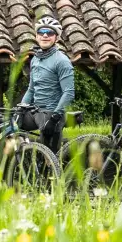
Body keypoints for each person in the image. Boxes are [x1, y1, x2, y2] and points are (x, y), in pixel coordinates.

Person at [16, 15, 74, 153]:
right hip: (36, 111)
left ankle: (53, 171)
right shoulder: (35, 59)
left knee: (49, 157)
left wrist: (55, 118)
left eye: (50, 32)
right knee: (9, 125)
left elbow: (69, 92)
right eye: (41, 32)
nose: (45, 35)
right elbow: (31, 89)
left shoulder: (62, 61)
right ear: (36, 36)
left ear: (57, 38)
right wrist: (21, 109)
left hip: (52, 112)